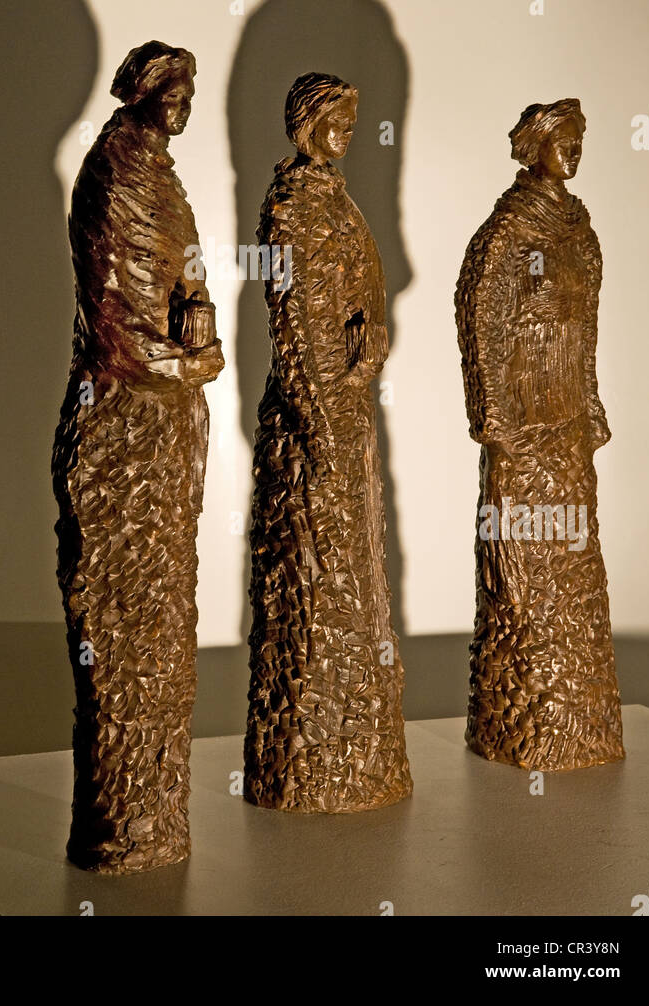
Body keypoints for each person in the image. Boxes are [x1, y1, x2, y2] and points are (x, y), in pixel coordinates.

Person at [53, 40, 223, 871]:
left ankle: (150, 822)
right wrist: (183, 361)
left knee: (164, 613)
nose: (185, 101)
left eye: (192, 89)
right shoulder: (116, 174)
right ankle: (122, 826)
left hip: (169, 416)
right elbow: (112, 314)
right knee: (126, 620)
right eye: (174, 89)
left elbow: (189, 282)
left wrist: (203, 332)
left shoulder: (161, 173)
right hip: (122, 425)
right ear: (144, 93)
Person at [244, 72, 412, 812]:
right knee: (314, 581)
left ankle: (357, 754)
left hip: (346, 408)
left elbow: (365, 300)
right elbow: (295, 331)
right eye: (335, 118)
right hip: (316, 423)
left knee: (351, 582)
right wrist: (319, 421)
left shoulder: (334, 199)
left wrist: (370, 345)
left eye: (353, 119)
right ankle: (312, 763)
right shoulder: (292, 209)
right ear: (304, 122)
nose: (346, 130)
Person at [455, 99, 624, 770]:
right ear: (534, 150)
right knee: (521, 568)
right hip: (522, 428)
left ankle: (579, 721)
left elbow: (584, 329)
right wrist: (493, 419)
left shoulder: (578, 232)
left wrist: (588, 399)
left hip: (566, 425)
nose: (574, 151)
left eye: (580, 139)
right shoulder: (505, 236)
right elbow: (480, 328)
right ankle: (524, 719)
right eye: (564, 142)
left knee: (573, 566)